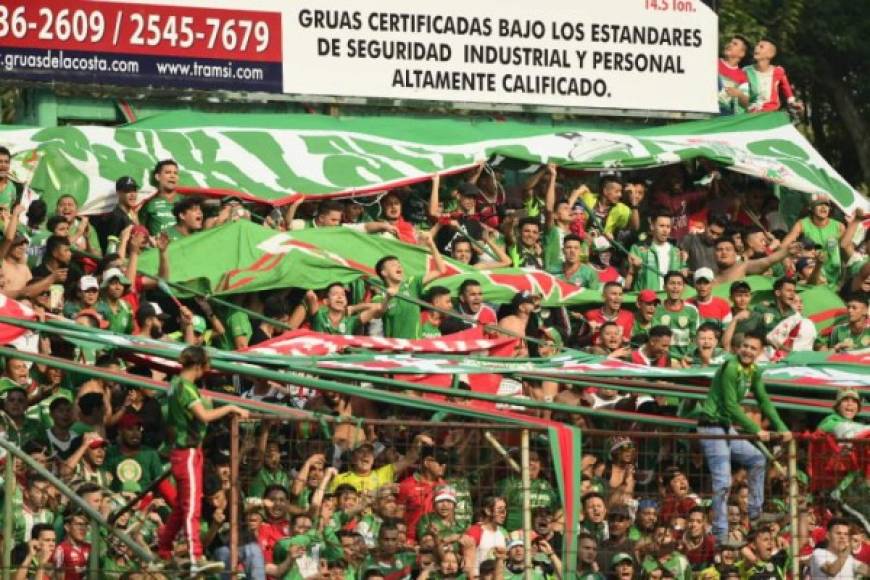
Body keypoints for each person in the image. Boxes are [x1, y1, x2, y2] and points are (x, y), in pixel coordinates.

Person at [155, 346, 249, 574]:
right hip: (186, 452)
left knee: (180, 507)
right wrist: (230, 407)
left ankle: (164, 549)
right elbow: (204, 416)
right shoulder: (185, 388)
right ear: (198, 365)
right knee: (191, 507)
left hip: (189, 451)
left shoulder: (175, 384)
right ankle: (195, 555)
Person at [696, 331, 792, 542]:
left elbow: (764, 400)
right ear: (739, 348)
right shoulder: (731, 367)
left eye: (753, 348)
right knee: (722, 482)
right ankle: (720, 533)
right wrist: (755, 429)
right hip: (711, 426)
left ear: (759, 352)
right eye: (745, 346)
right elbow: (731, 405)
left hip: (725, 427)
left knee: (757, 459)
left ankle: (755, 513)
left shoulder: (754, 371)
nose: (748, 351)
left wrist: (782, 426)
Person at [374, 235, 446, 339]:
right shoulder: (380, 295)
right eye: (393, 265)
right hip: (395, 350)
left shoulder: (411, 284)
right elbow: (379, 313)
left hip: (415, 347)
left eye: (399, 264)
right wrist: (388, 298)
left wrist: (431, 245)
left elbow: (441, 270)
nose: (399, 266)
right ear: (384, 273)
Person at [627, 211, 684, 291]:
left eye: (668, 227)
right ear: (652, 226)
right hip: (648, 301)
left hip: (668, 300)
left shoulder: (676, 252)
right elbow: (627, 283)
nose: (665, 230)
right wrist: (632, 270)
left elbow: (683, 276)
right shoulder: (637, 249)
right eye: (662, 226)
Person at [744, 38, 803, 113]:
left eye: (761, 47)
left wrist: (792, 102)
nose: (756, 48)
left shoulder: (778, 71)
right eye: (757, 45)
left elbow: (786, 87)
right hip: (752, 113)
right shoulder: (746, 71)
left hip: (771, 112)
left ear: (770, 54)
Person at [651, 272, 699, 358]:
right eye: (672, 283)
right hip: (662, 359)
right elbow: (654, 338)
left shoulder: (692, 310)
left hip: (686, 359)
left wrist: (687, 356)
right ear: (664, 287)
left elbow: (695, 338)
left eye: (679, 284)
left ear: (684, 288)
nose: (675, 287)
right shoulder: (657, 310)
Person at [712, 237, 799, 284]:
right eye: (719, 250)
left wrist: (787, 251)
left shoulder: (742, 266)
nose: (723, 252)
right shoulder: (708, 276)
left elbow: (766, 261)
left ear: (735, 253)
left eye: (728, 249)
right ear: (714, 255)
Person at [140, 159, 180, 235]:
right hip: (159, 246)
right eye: (168, 172)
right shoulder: (148, 204)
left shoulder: (186, 201)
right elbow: (140, 231)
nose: (173, 176)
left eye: (175, 173)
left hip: (185, 246)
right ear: (158, 177)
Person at [718, 35, 751, 114]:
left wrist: (739, 94)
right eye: (730, 42)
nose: (730, 45)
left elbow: (747, 104)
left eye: (735, 44)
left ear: (742, 53)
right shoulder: (711, 62)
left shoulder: (743, 77)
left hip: (724, 117)